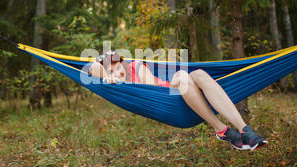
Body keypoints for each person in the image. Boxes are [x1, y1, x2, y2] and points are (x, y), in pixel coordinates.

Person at [88, 50, 268, 151]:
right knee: (183, 75)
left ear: (123, 63)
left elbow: (154, 90)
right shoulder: (113, 82)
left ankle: (244, 130)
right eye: (112, 71)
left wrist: (117, 78)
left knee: (199, 74)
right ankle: (221, 129)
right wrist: (108, 76)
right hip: (174, 102)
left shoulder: (135, 66)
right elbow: (91, 67)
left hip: (169, 94)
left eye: (118, 67)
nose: (118, 72)